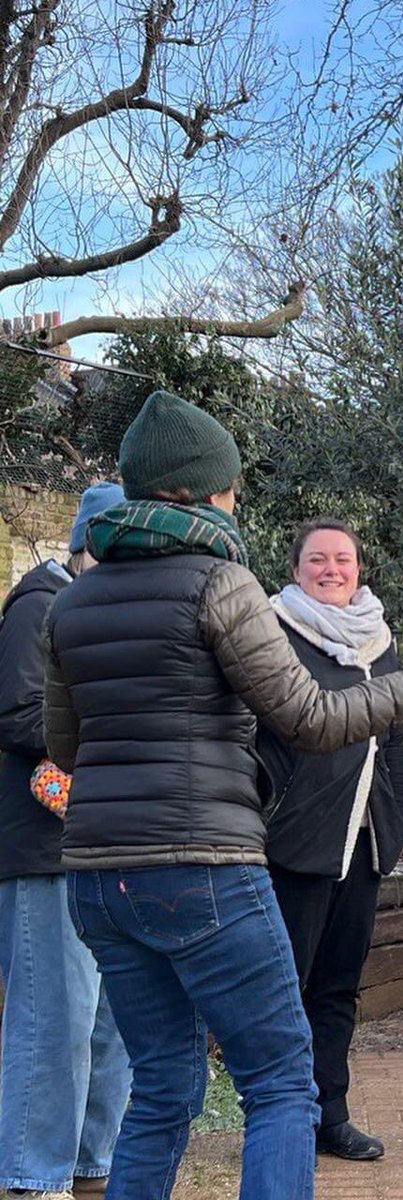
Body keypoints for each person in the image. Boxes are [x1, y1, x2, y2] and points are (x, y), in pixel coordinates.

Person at [42, 391, 403, 1200]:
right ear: (201, 491)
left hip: (98, 876)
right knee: (282, 1080)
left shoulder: (72, 601)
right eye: (230, 487)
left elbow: (64, 749)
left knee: (161, 1085)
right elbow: (313, 718)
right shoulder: (220, 583)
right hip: (202, 865)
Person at [258, 518, 403, 1162]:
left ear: (359, 569)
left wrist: (395, 825)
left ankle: (330, 1114)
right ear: (296, 570)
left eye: (342, 560)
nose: (331, 570)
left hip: (365, 841)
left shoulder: (380, 641)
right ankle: (278, 1116)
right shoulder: (272, 632)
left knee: (339, 988)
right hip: (297, 841)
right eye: (317, 560)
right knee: (286, 986)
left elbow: (396, 739)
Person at [0, 482, 131, 1198]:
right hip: (43, 852)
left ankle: (90, 1168)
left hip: (103, 849)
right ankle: (32, 1177)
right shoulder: (41, 601)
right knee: (55, 1022)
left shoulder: (96, 605)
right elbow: (17, 713)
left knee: (110, 1024)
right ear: (87, 537)